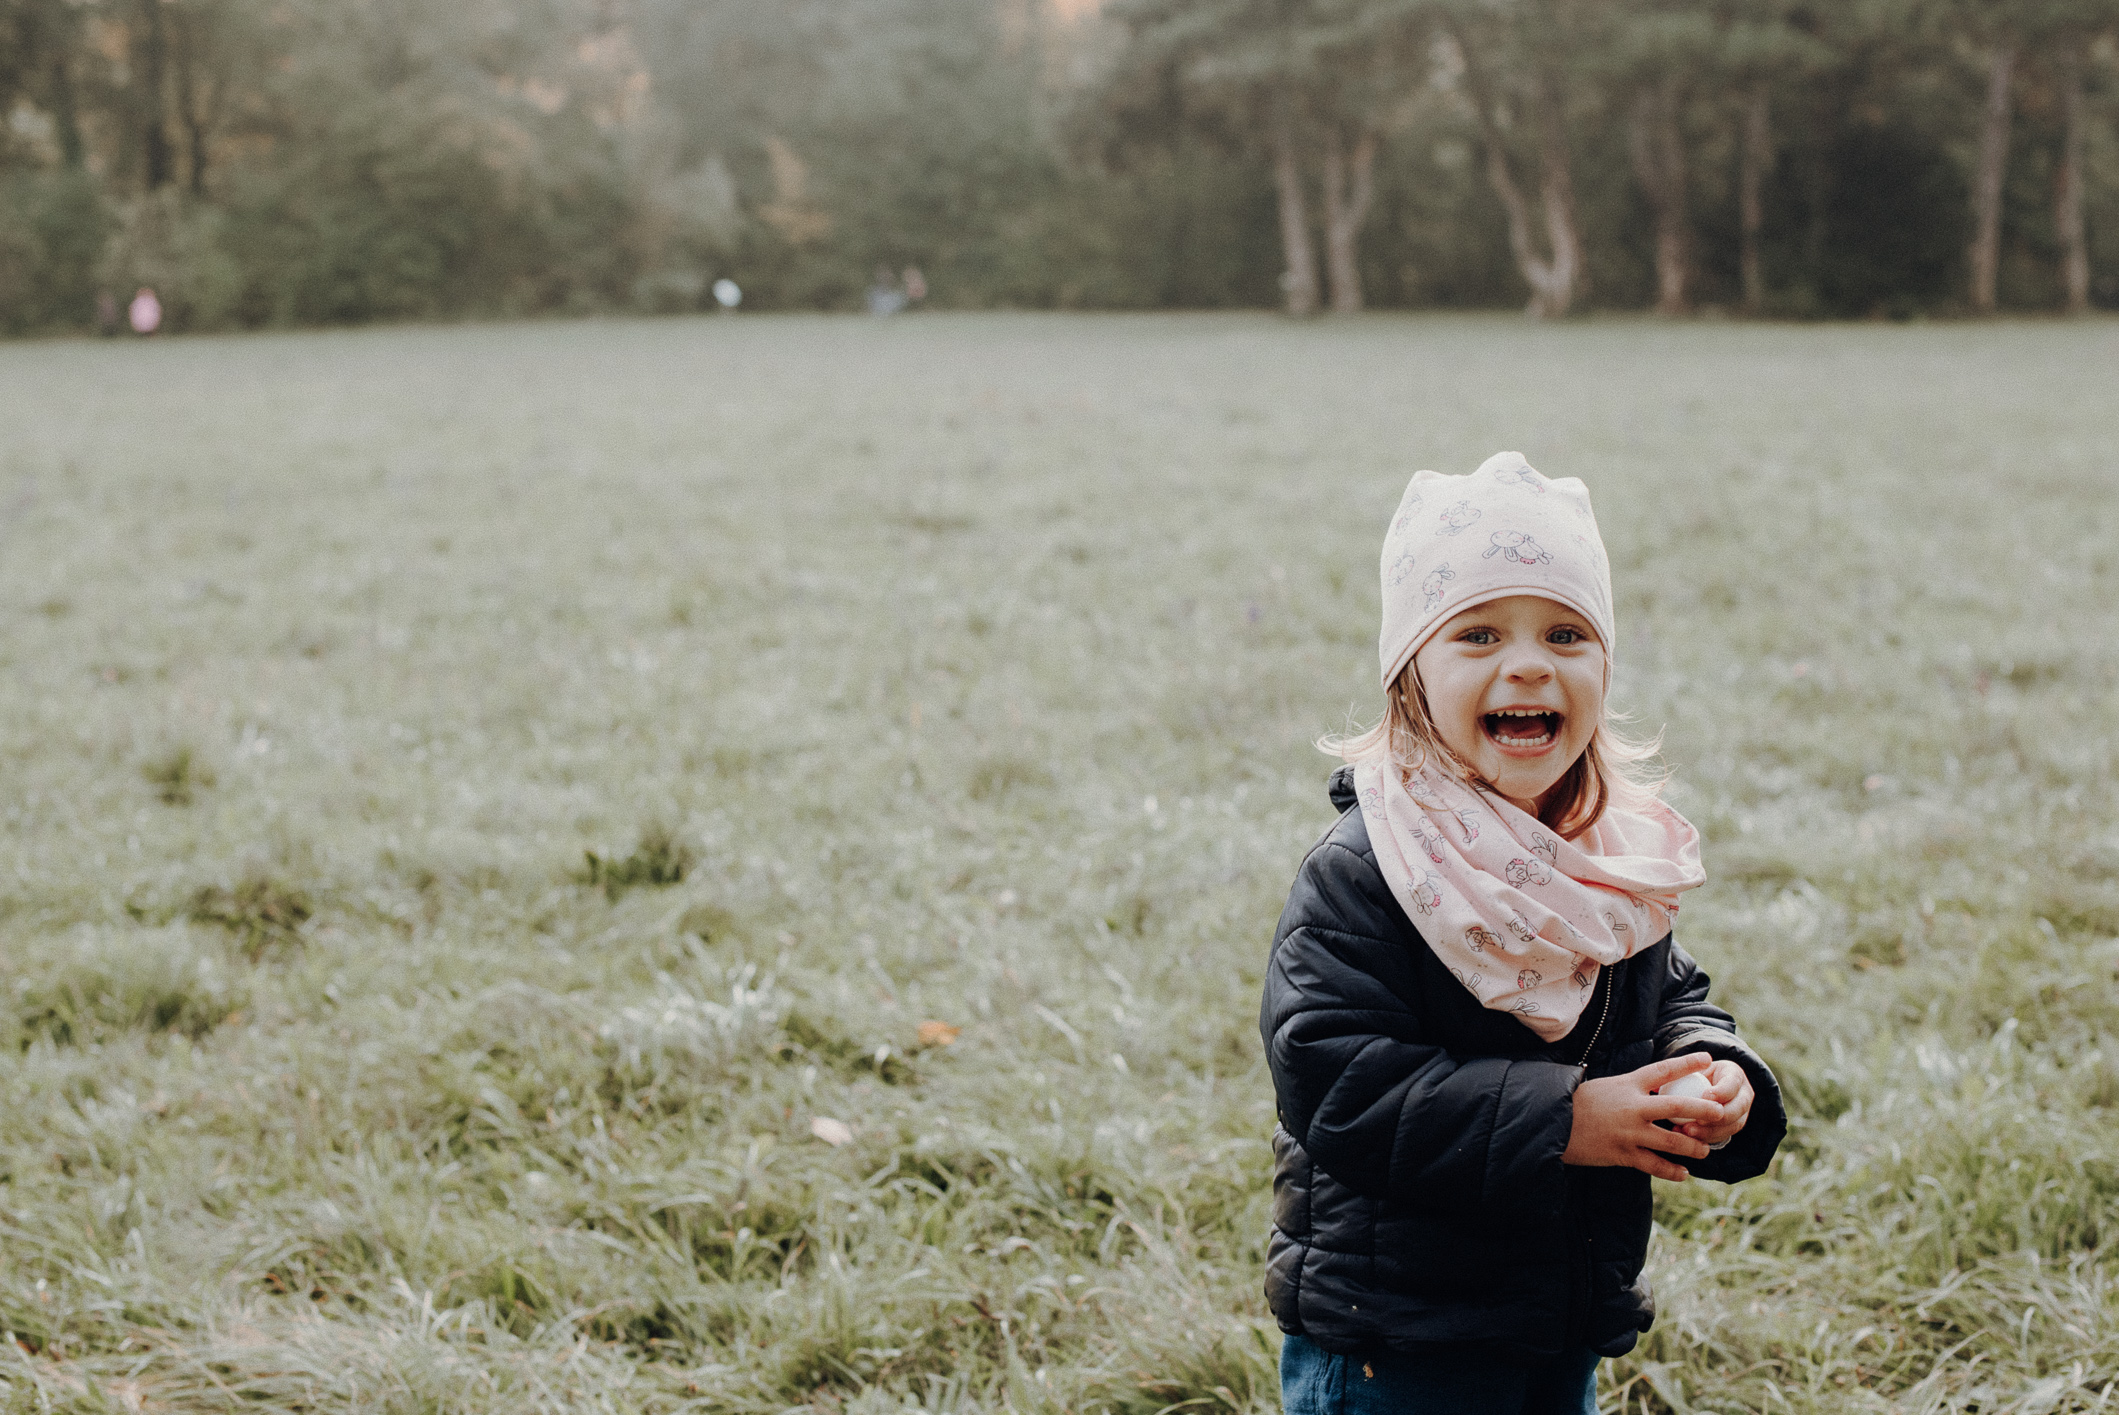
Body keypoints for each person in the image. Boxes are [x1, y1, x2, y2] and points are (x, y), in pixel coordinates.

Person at [1261, 450, 1785, 1414]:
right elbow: (1336, 1080)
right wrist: (1568, 1119)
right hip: (1398, 1335)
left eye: (1565, 631)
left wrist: (1713, 1071)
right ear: (1408, 674)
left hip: (1557, 1305)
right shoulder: (1370, 868)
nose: (1530, 660)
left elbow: (1669, 994)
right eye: (1477, 633)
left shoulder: (1604, 858)